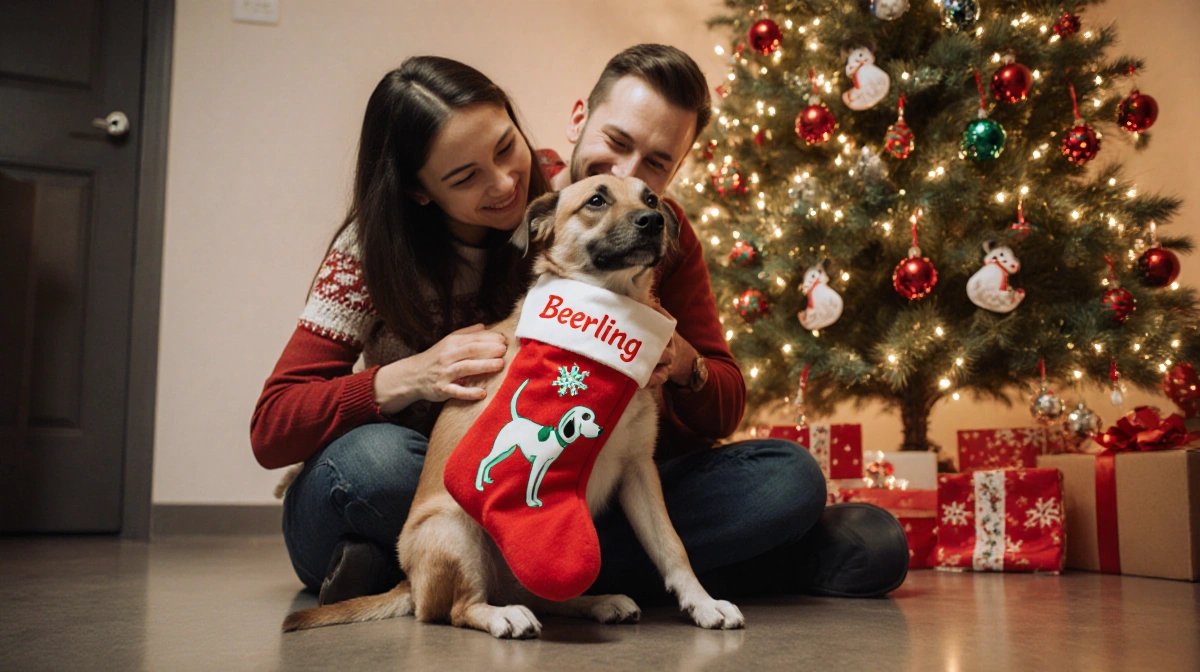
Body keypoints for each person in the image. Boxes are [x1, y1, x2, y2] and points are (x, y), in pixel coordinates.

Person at [540, 44, 909, 600]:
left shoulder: (665, 230)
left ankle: (570, 571)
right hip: (528, 481)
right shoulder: (515, 199)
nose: (627, 173)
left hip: (638, 487)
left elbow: (726, 404)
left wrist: (684, 363)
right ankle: (764, 564)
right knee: (383, 462)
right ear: (578, 119)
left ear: (677, 168)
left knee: (789, 477)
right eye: (616, 143)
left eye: (657, 164)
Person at [251, 56, 552, 602]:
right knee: (377, 462)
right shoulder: (368, 254)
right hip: (397, 484)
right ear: (419, 191)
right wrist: (406, 378)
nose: (506, 182)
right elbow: (272, 428)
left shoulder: (561, 206)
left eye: (507, 146)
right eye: (466, 178)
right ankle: (493, 566)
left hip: (509, 481)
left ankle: (403, 570)